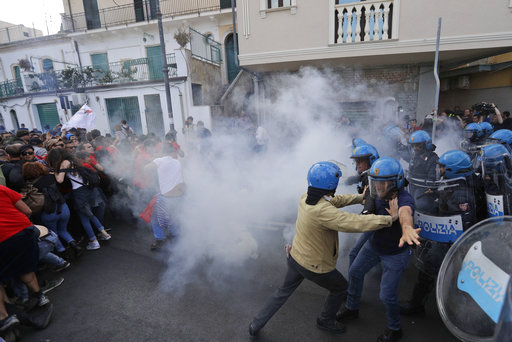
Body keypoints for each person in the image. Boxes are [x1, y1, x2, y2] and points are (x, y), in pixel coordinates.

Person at [248, 161, 400, 337]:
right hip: (314, 266)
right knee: (341, 287)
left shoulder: (306, 197)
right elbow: (354, 222)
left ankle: (255, 324)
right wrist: (389, 219)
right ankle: (325, 320)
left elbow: (334, 201)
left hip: (295, 256)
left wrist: (360, 198)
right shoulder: (323, 212)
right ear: (331, 185)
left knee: (282, 292)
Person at [337, 157, 420, 342]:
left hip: (395, 254)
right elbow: (369, 203)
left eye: (384, 183)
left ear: (396, 182)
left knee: (387, 295)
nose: (379, 187)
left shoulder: (404, 199)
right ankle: (352, 308)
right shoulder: (376, 193)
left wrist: (406, 227)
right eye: (376, 183)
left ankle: (395, 329)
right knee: (355, 271)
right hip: (374, 245)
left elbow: (406, 212)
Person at [400, 150, 477, 315]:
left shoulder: (462, 193)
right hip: (446, 238)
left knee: (432, 268)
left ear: (452, 170)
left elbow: (462, 219)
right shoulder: (452, 183)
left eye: (443, 168)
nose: (440, 170)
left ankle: (418, 306)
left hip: (450, 239)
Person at [0, 184, 51, 330]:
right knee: (25, 269)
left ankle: (4, 317)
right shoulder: (2, 189)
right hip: (22, 232)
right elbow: (27, 210)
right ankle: (40, 297)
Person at [46, 149, 110, 250]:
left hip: (79, 193)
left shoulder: (64, 163)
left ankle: (94, 241)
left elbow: (59, 179)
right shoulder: (72, 160)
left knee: (84, 218)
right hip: (88, 189)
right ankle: (104, 233)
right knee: (90, 214)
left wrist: (54, 172)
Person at [144, 143, 184, 250]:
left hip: (167, 197)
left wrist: (155, 158)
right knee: (174, 215)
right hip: (180, 196)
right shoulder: (177, 162)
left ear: (162, 151)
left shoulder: (160, 160)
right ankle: (173, 234)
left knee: (155, 218)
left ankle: (160, 238)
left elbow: (146, 168)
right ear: (172, 152)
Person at [346, 144, 380, 267]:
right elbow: (360, 177)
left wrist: (365, 213)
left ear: (371, 160)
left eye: (360, 161)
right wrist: (346, 181)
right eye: (356, 161)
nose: (357, 164)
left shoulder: (372, 178)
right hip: (377, 220)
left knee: (354, 253)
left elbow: (370, 195)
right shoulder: (371, 173)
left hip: (374, 219)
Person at [407, 130, 439, 214]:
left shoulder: (433, 158)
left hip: (425, 192)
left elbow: (432, 179)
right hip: (413, 188)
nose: (415, 148)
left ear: (426, 144)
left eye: (418, 145)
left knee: (421, 205)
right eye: (413, 145)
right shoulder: (415, 156)